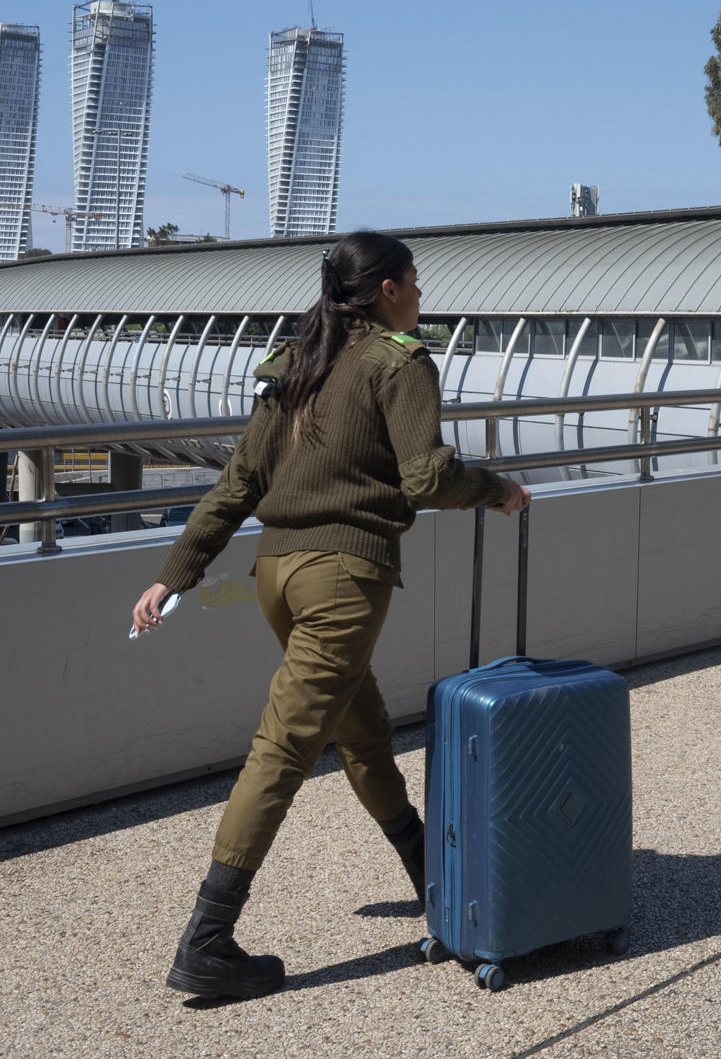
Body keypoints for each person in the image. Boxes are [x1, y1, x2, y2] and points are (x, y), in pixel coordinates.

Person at [132, 230, 528, 1000]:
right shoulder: (399, 362)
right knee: (283, 748)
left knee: (362, 729)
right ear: (388, 290)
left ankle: (429, 874)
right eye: (415, 282)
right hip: (343, 578)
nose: (421, 296)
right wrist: (498, 490)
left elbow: (239, 482)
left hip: (278, 576)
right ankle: (207, 938)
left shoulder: (297, 361)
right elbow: (426, 476)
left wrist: (174, 574)